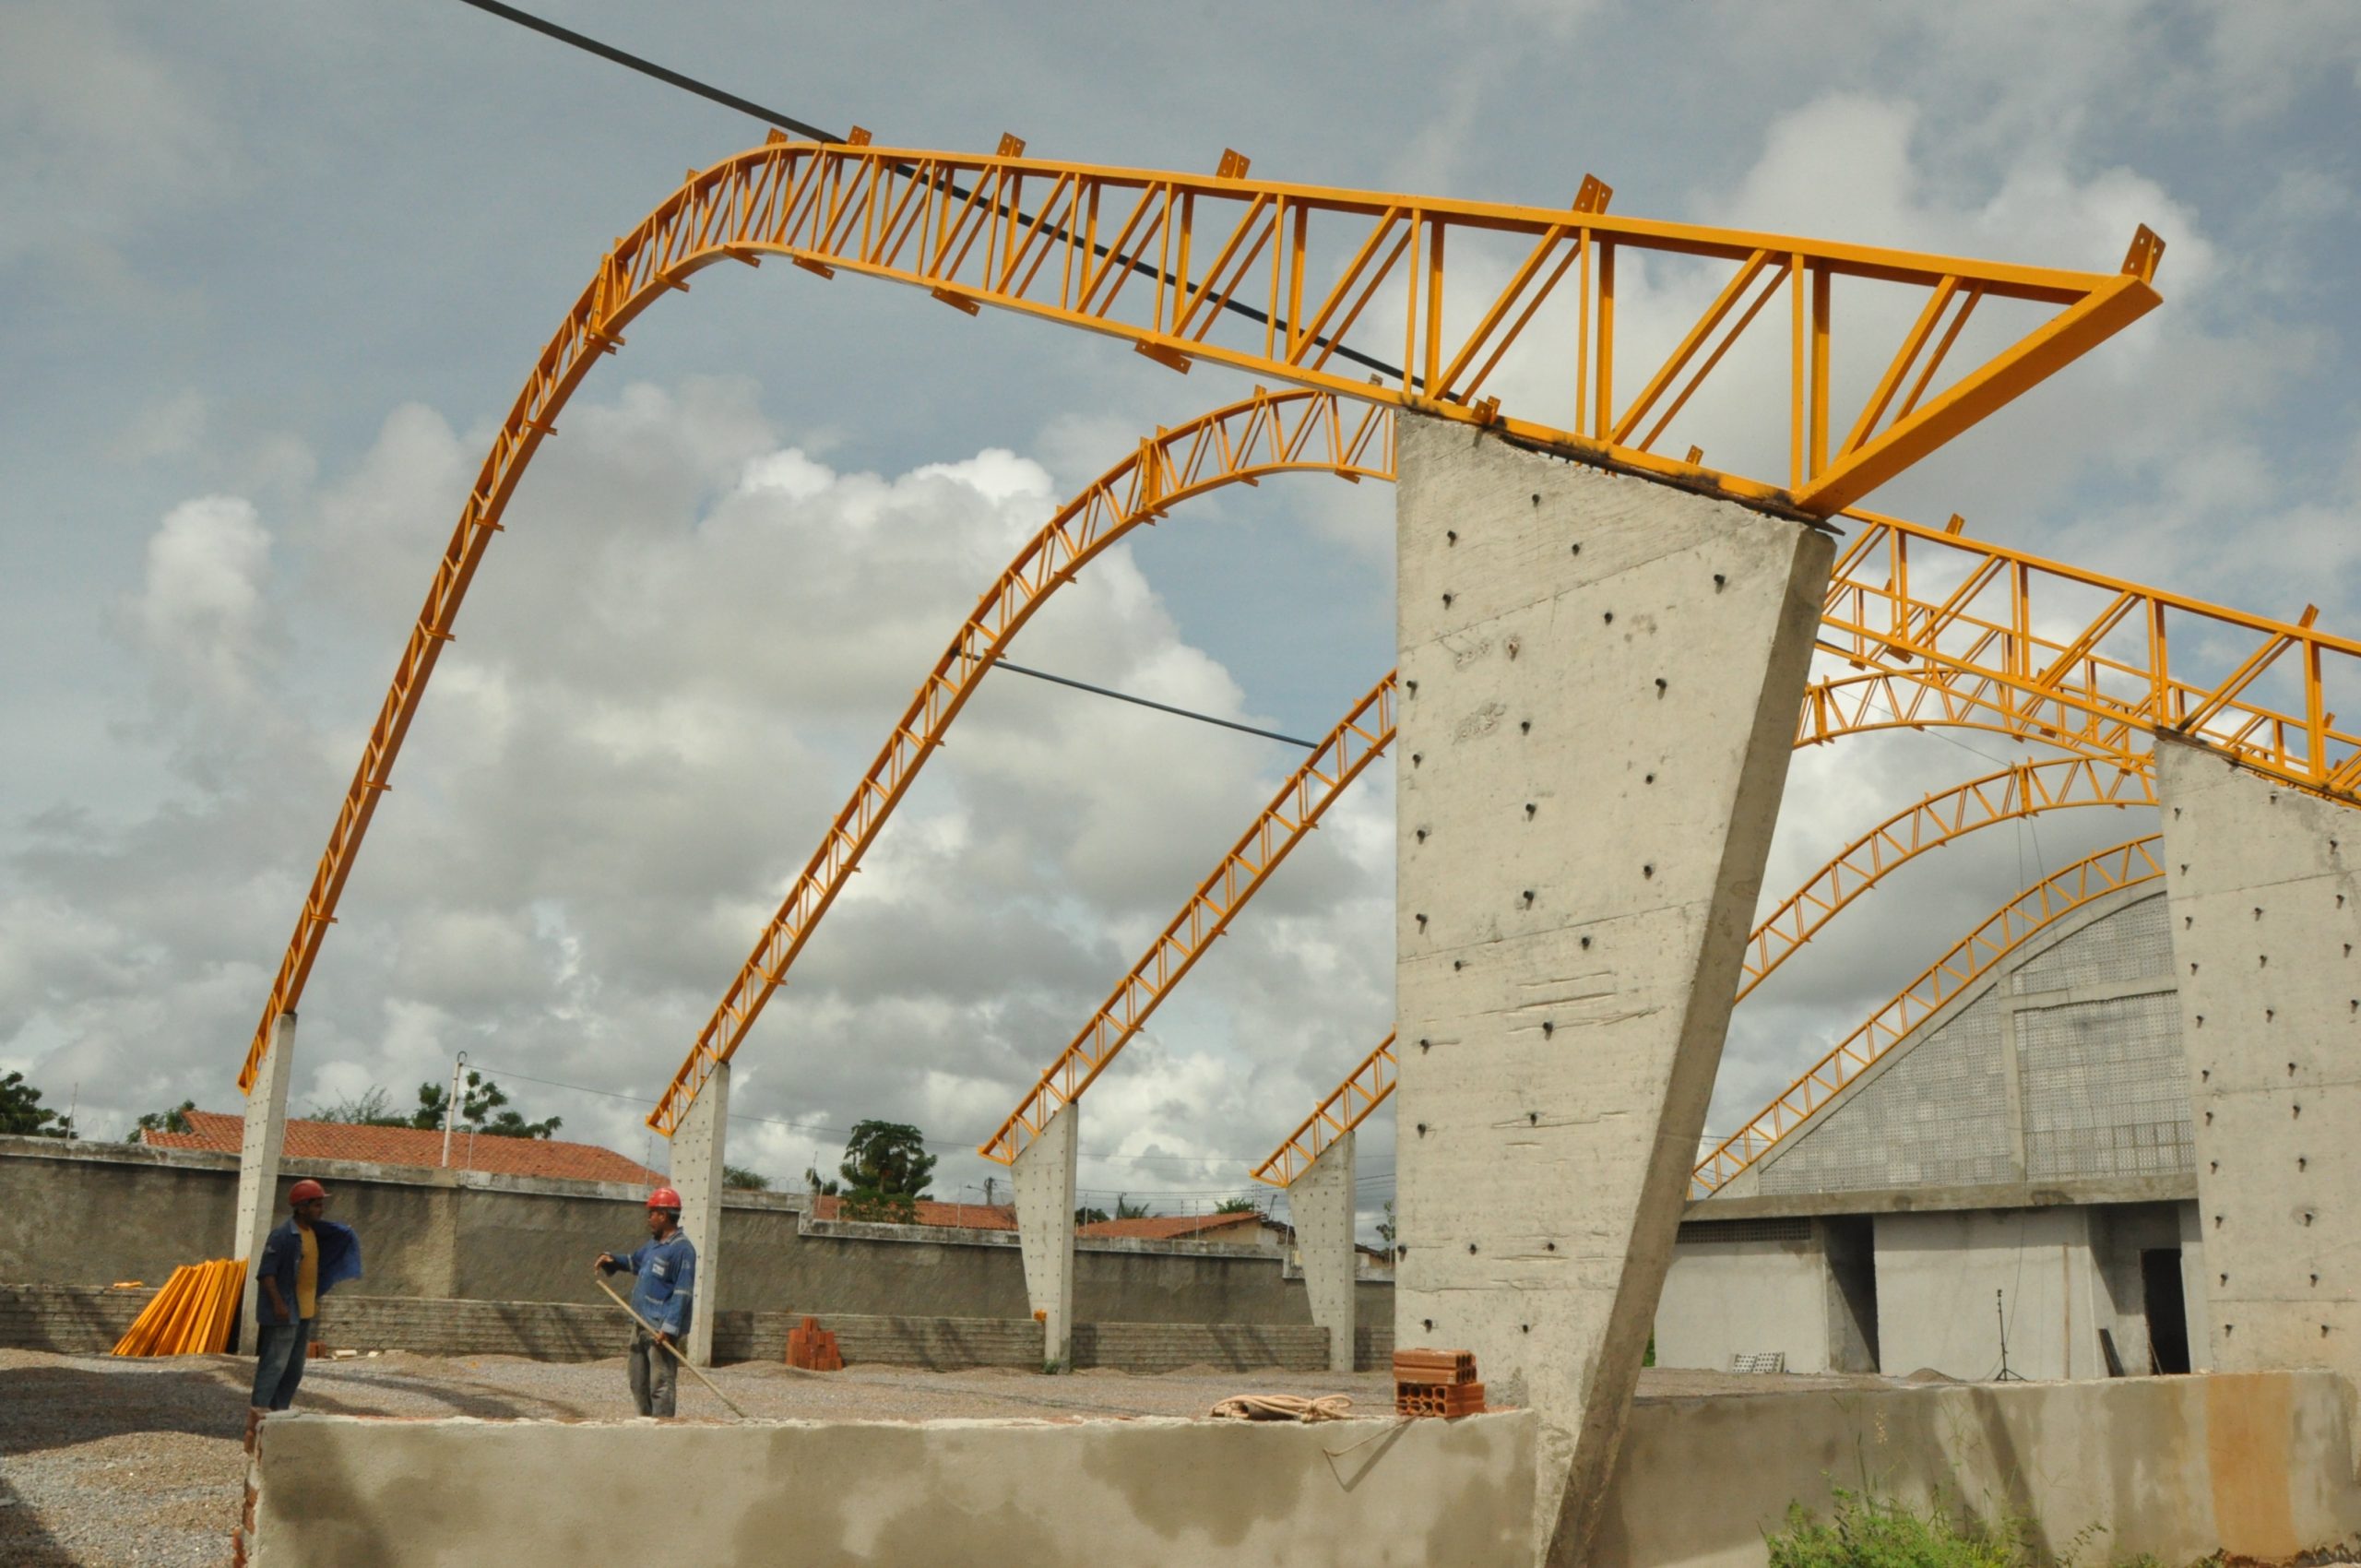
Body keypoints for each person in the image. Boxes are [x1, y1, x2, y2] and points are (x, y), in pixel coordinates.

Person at [251, 1178, 362, 1416]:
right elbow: (266, 1274)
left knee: (293, 1369)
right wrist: (279, 1304)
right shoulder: (282, 1236)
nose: (321, 1210)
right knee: (274, 1365)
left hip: (304, 1312)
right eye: (316, 1205)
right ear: (301, 1207)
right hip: (285, 1312)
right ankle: (258, 1412)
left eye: (321, 1204)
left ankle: (279, 1411)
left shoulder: (313, 1233)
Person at [596, 1186, 696, 1418]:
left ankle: (662, 1431)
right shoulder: (653, 1245)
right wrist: (612, 1260)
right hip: (640, 1323)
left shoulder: (682, 1250)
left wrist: (669, 1329)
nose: (649, 1218)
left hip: (659, 1330)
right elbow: (635, 1262)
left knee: (660, 1385)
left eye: (652, 1213)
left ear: (663, 1215)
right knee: (637, 1381)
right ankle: (645, 1427)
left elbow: (683, 1292)